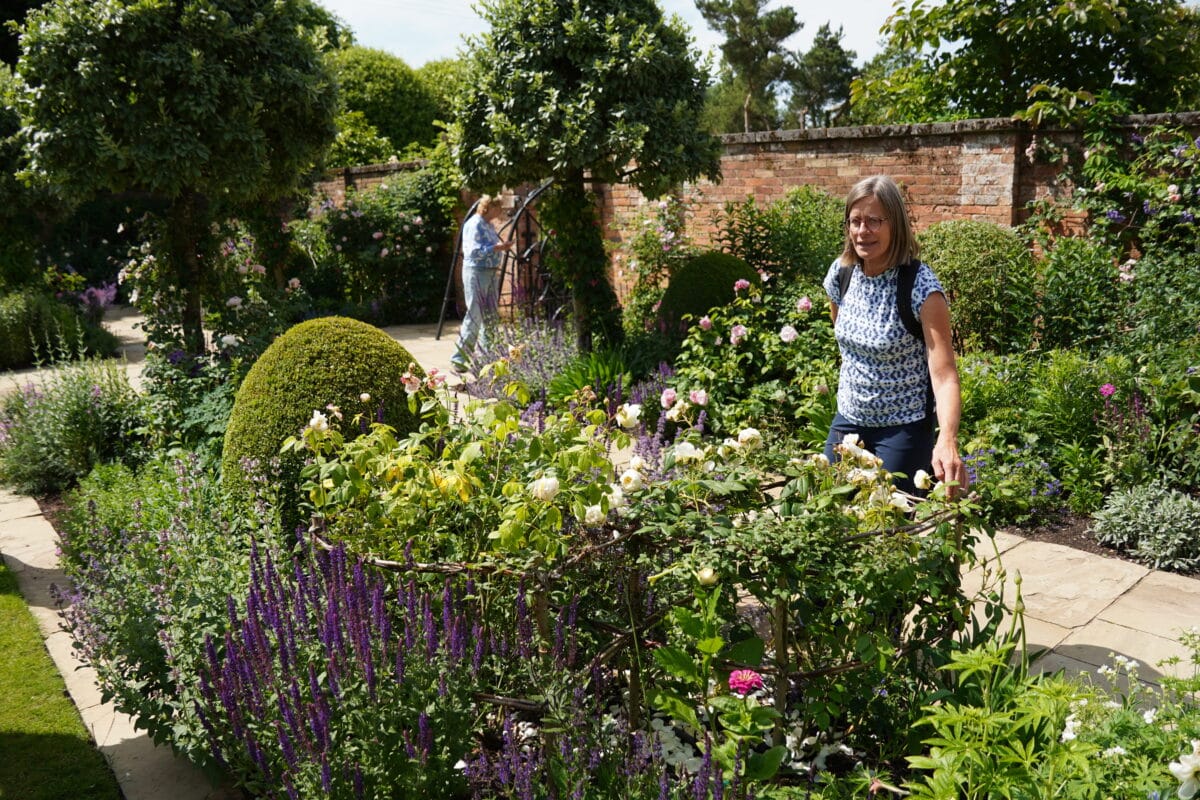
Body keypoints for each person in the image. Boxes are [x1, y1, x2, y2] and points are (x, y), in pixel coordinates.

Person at [821, 175, 969, 496]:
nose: (862, 231)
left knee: (890, 518)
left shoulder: (921, 288)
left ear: (896, 224)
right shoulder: (841, 274)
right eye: (855, 221)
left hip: (903, 430)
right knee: (827, 511)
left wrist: (947, 439)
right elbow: (843, 337)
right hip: (848, 420)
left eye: (874, 221)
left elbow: (945, 377)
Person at [451, 194, 513, 374]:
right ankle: (459, 359)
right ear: (489, 207)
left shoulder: (488, 224)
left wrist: (499, 248)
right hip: (477, 272)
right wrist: (497, 248)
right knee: (475, 314)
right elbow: (472, 251)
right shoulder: (474, 224)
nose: (500, 211)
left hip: (491, 272)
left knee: (491, 315)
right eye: (498, 207)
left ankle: (488, 358)